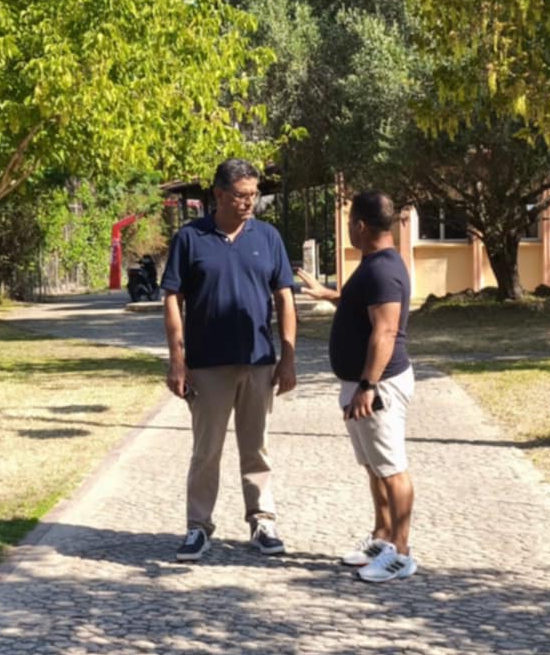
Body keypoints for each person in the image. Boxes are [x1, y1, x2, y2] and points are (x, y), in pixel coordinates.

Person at [161, 159, 298, 561]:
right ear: (218, 195)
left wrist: (288, 357)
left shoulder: (268, 237)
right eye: (240, 195)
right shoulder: (190, 238)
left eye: (254, 194)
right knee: (206, 451)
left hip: (258, 362)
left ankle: (262, 520)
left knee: (256, 447)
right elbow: (172, 298)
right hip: (207, 365)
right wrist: (177, 360)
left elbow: (284, 297)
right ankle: (198, 526)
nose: (249, 202)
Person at [296, 190, 416, 583]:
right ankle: (382, 537)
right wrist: (329, 295)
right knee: (374, 465)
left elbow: (386, 331)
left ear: (360, 226)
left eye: (350, 222)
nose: (349, 228)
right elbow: (361, 306)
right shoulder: (373, 264)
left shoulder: (383, 269)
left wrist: (368, 385)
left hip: (377, 387)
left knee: (392, 468)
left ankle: (401, 552)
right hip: (359, 384)